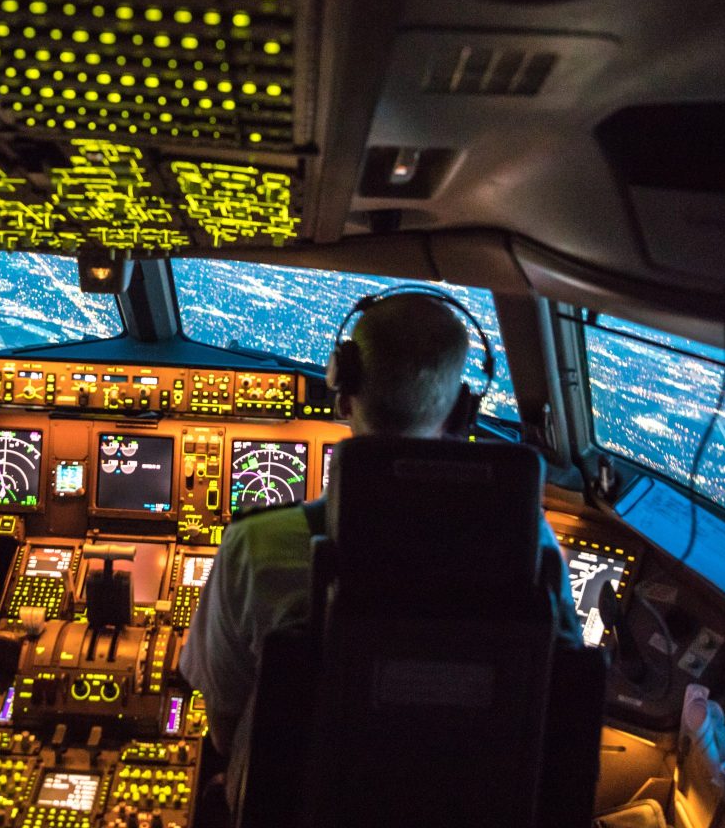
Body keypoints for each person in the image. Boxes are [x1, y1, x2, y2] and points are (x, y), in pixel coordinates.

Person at [181, 293, 582, 808]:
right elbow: (561, 700)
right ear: (462, 412)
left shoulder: (257, 548)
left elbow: (225, 722)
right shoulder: (526, 545)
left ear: (344, 395)